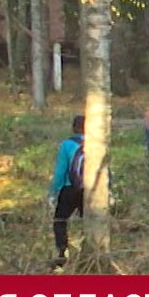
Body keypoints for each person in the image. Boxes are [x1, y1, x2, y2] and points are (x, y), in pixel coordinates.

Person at [48, 114, 86, 268]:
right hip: (90, 190)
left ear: (74, 128)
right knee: (87, 221)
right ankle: (89, 249)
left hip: (69, 188)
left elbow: (60, 171)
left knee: (60, 220)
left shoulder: (66, 145)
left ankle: (62, 253)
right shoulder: (96, 144)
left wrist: (53, 192)